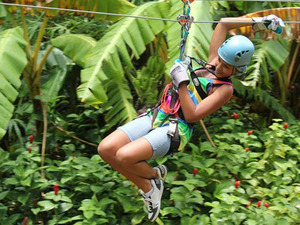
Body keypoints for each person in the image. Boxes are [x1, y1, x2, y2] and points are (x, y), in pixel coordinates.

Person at [97, 14, 284, 222]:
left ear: (237, 70)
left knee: (124, 157)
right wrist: (259, 22)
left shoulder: (224, 90)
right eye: (220, 60)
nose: (219, 66)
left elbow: (192, 115)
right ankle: (153, 181)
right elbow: (223, 23)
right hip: (160, 113)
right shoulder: (214, 62)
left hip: (177, 129)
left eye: (226, 66)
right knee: (105, 149)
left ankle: (150, 184)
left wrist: (182, 82)